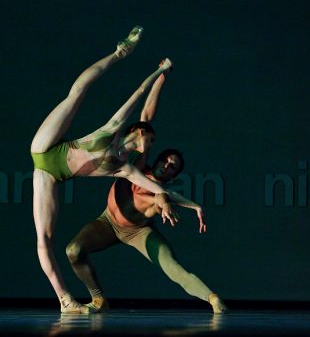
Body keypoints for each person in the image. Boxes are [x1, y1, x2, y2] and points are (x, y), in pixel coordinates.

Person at [31, 26, 176, 314]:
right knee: (76, 94)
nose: (152, 142)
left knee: (44, 239)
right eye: (151, 137)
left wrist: (173, 201)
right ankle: (119, 52)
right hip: (46, 147)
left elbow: (156, 187)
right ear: (138, 131)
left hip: (48, 174)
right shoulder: (113, 129)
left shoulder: (122, 168)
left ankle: (65, 301)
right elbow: (138, 93)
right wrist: (159, 72)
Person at [66, 149, 227, 314]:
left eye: (172, 167)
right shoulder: (139, 167)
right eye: (165, 160)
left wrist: (166, 206)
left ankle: (212, 298)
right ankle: (98, 300)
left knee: (172, 266)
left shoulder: (158, 192)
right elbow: (141, 143)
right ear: (157, 160)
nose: (166, 166)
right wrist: (194, 205)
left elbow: (163, 196)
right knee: (74, 250)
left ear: (173, 176)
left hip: (138, 232)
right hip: (107, 222)